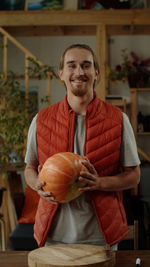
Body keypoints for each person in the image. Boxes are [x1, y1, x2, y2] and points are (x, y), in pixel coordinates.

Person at [24, 44, 140, 250]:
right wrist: (37, 185)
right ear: (61, 73)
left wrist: (100, 183)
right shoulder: (41, 120)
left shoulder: (118, 119)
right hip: (53, 234)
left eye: (86, 65)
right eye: (72, 66)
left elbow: (133, 175)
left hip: (100, 236)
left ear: (96, 73)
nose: (79, 72)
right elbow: (29, 168)